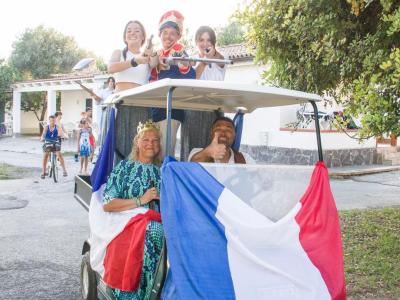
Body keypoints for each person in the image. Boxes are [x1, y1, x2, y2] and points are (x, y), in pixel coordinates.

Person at [102, 121, 163, 299]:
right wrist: (141, 200)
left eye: (155, 140)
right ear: (137, 142)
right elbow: (108, 204)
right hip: (124, 222)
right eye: (145, 139)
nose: (150, 144)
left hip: (154, 219)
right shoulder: (124, 168)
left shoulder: (162, 171)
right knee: (154, 231)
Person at [108, 20, 158, 160]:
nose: (132, 33)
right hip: (121, 104)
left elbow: (154, 63)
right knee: (119, 146)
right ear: (125, 37)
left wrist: (150, 52)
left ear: (143, 37)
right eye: (129, 30)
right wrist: (134, 61)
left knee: (140, 147)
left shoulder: (147, 55)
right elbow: (111, 68)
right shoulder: (119, 53)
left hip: (141, 106)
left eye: (137, 30)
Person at [150, 10, 196, 157]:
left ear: (178, 36)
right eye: (165, 32)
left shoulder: (179, 53)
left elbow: (190, 77)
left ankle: (164, 180)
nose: (168, 36)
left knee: (164, 152)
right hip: (156, 109)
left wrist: (182, 63)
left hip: (171, 109)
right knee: (153, 151)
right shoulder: (157, 54)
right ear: (160, 35)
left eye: (172, 33)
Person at [181, 26, 227, 160]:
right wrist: (204, 62)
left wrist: (211, 55)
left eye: (209, 40)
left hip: (215, 109)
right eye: (201, 40)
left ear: (213, 43)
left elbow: (221, 60)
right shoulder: (191, 60)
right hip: (193, 109)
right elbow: (192, 78)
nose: (205, 44)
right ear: (196, 42)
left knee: (215, 149)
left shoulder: (221, 58)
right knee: (192, 148)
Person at [189, 116, 254, 164]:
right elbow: (191, 166)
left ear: (235, 135)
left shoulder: (245, 159)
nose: (223, 133)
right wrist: (207, 152)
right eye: (218, 129)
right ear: (211, 133)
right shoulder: (197, 152)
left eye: (228, 130)